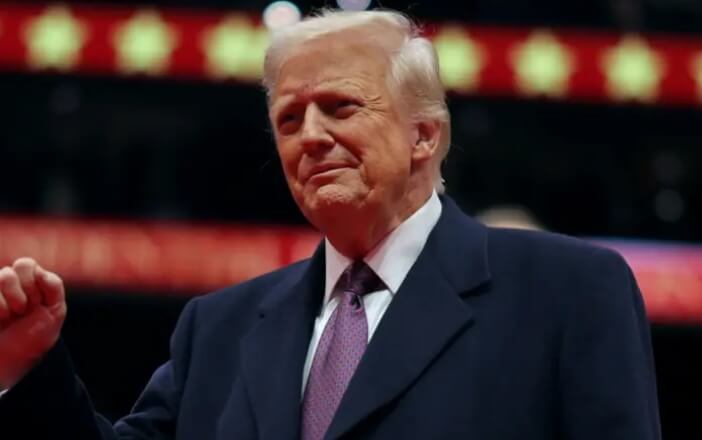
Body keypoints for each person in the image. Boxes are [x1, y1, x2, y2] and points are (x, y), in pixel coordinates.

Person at [0, 8, 660, 440]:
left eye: (340, 108)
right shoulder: (218, 329)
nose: (310, 137)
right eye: (289, 119)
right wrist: (28, 370)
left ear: (424, 135)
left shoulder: (567, 294)